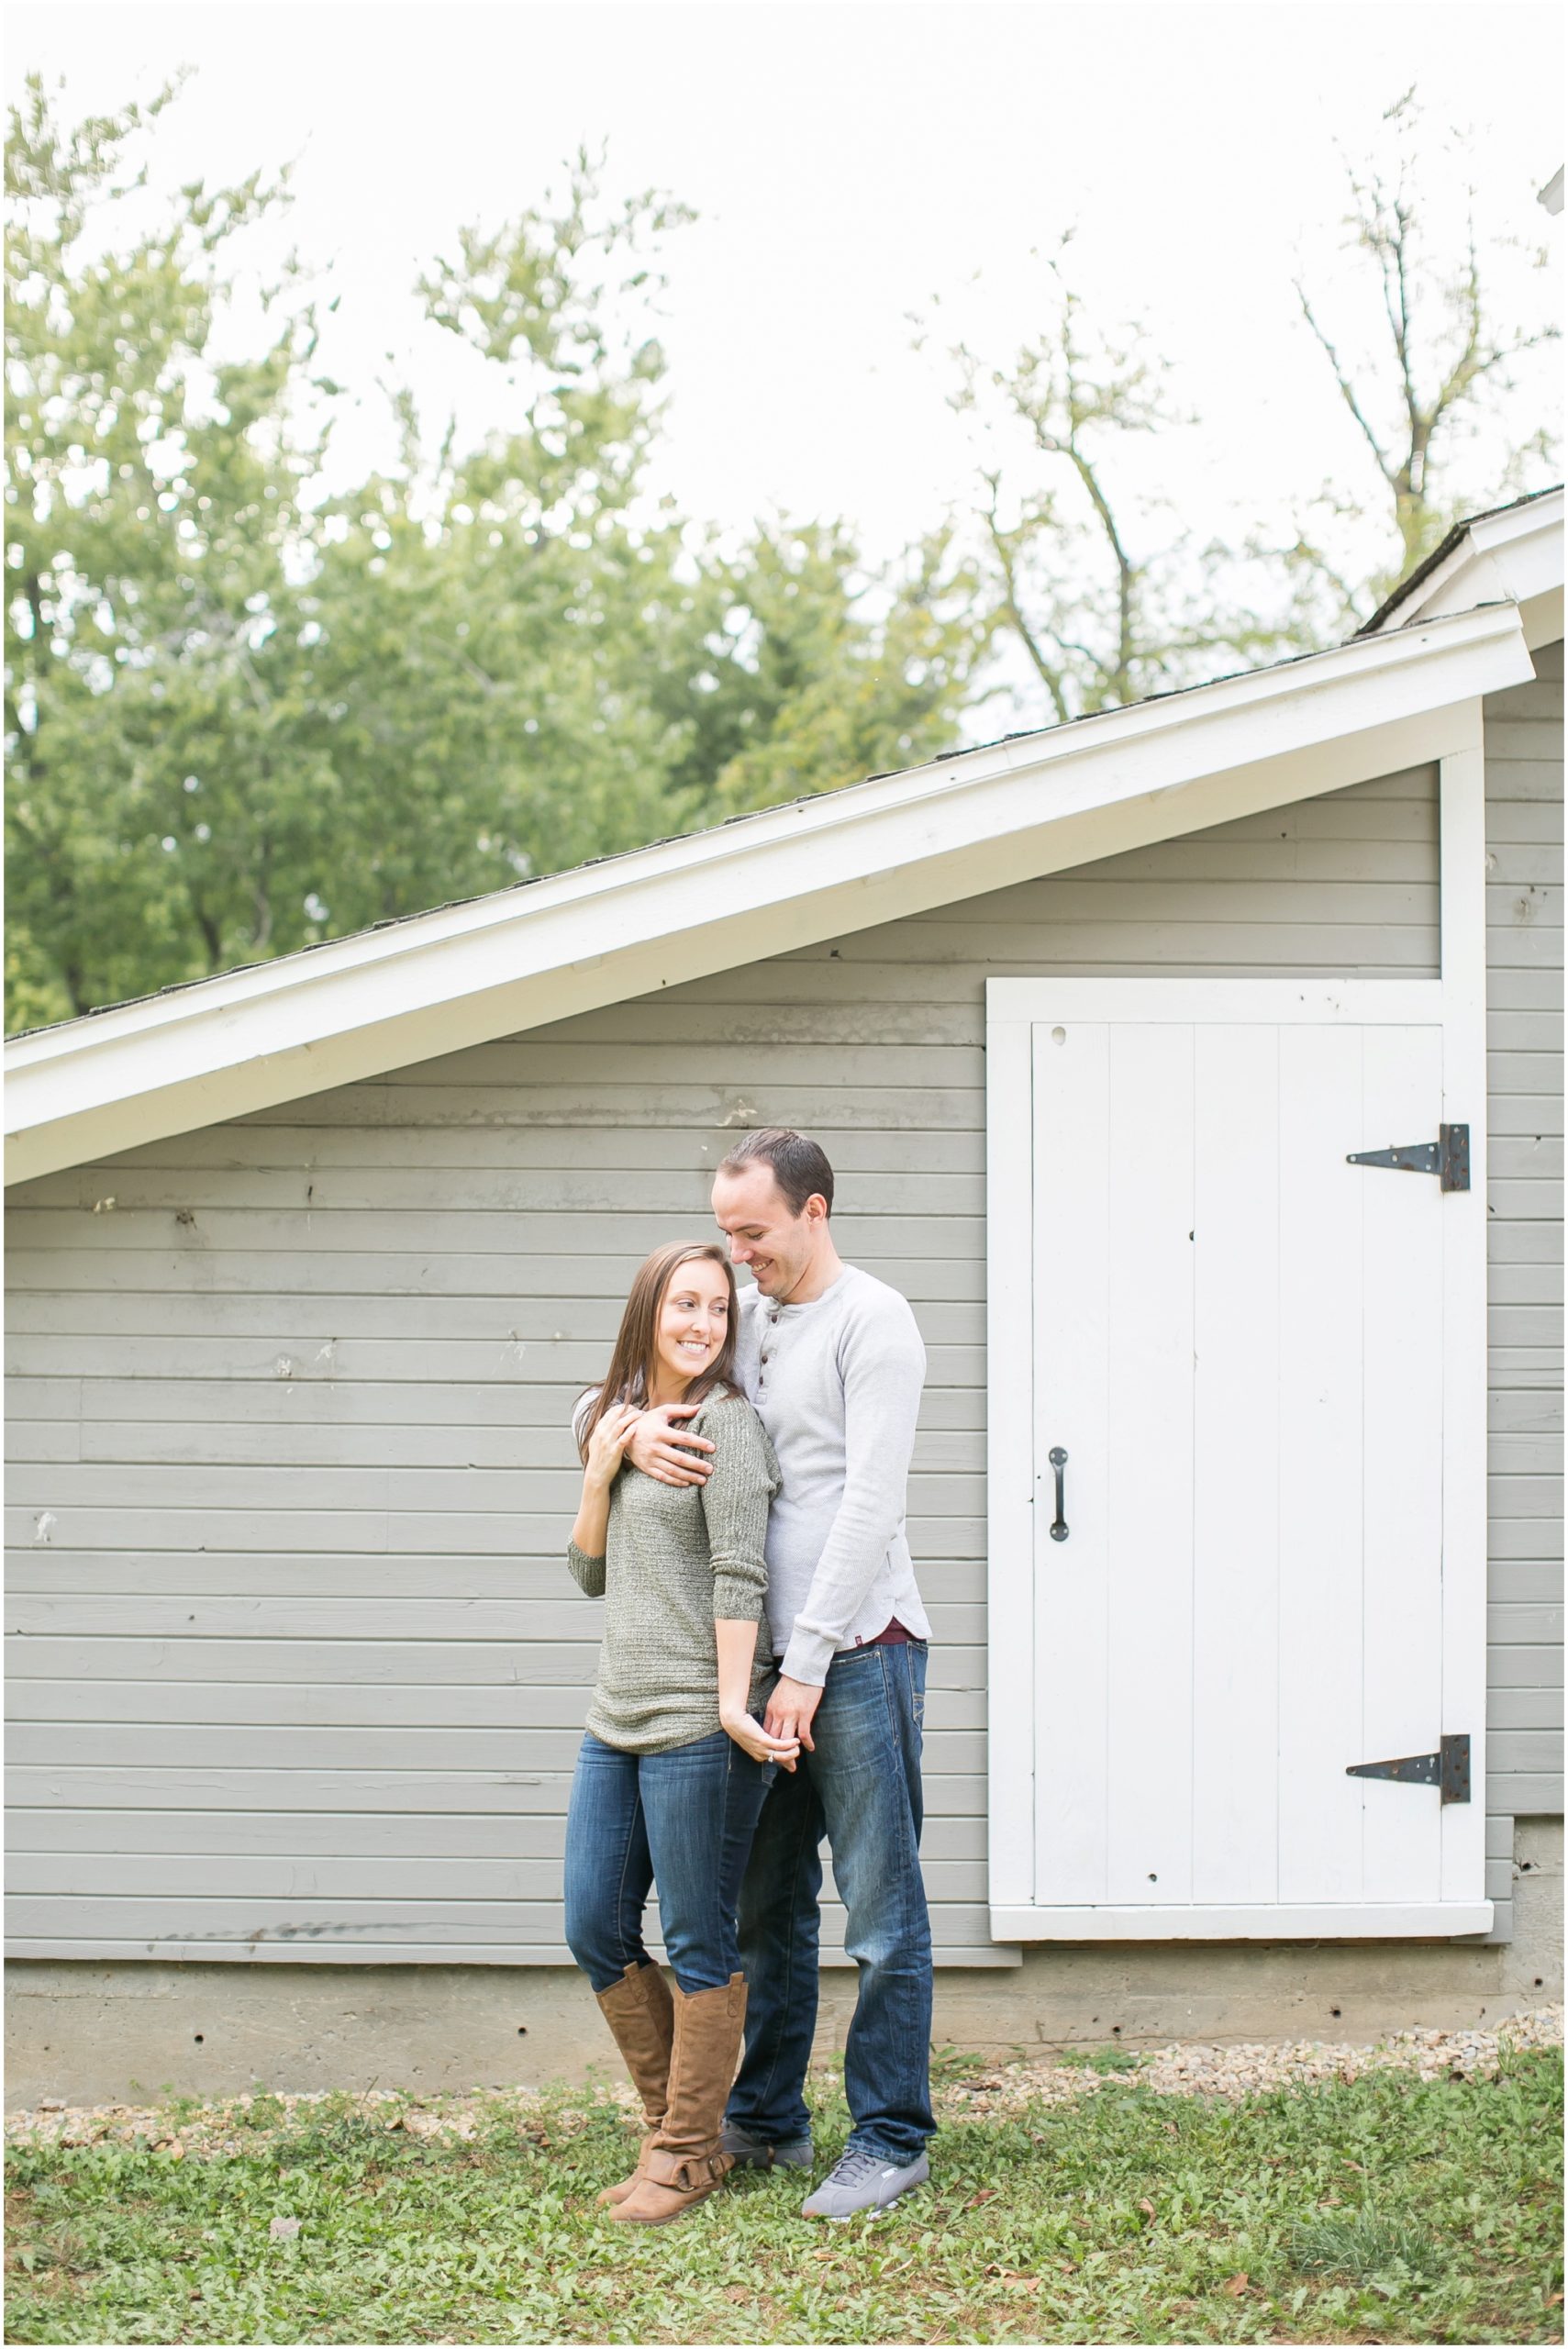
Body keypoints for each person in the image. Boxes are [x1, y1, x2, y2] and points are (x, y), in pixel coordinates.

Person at [625, 1130, 936, 2221]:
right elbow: (638, 1380)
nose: (735, 1253)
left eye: (751, 1232)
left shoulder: (874, 1322)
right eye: (725, 1232)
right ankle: (768, 2119)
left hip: (858, 1654)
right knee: (766, 1905)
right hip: (761, 1668)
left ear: (813, 1210)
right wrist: (620, 1434)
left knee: (881, 1909)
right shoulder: (746, 1314)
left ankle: (892, 2135)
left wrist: (804, 1664)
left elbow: (867, 1503)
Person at [562, 1239, 798, 2226]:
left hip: (696, 1722)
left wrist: (735, 1704)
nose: (701, 1323)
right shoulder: (612, 1417)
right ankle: (674, 2134)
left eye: (716, 1308)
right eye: (682, 1304)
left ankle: (689, 2151)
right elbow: (588, 1572)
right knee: (593, 1923)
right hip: (613, 1717)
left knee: (701, 1935)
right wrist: (601, 1467)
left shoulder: (728, 1428)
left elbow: (741, 1572)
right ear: (648, 1311)